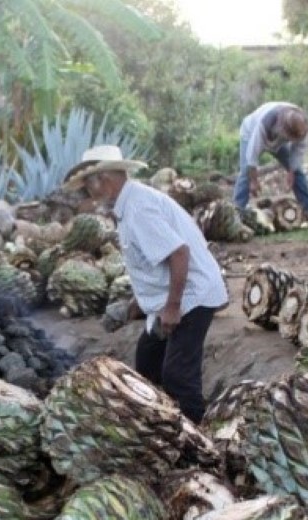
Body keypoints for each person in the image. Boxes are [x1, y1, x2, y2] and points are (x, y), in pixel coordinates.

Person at [63, 145, 229, 422]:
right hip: (172, 296)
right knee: (147, 362)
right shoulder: (128, 206)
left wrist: (173, 308)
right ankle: (160, 428)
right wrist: (132, 308)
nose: (87, 193)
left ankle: (201, 440)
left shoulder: (139, 208)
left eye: (87, 186)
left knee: (178, 376)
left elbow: (179, 253)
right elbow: (155, 269)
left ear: (103, 179)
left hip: (192, 295)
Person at [234, 101, 308, 216]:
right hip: (250, 132)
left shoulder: (302, 127)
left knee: (297, 171)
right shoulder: (265, 123)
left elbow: (298, 152)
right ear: (284, 130)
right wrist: (253, 180)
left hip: (278, 141)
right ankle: (237, 213)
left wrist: (291, 171)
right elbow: (251, 158)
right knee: (245, 173)